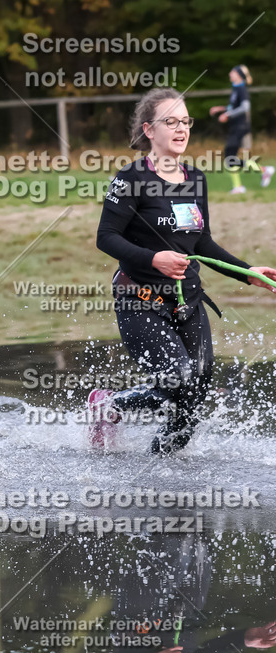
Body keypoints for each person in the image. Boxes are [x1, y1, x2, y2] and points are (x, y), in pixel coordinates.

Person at [91, 87, 276, 454]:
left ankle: (162, 468)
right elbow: (106, 237)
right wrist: (153, 258)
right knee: (179, 379)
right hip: (139, 298)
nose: (181, 128)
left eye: (185, 121)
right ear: (149, 130)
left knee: (195, 393)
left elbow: (202, 242)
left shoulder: (196, 179)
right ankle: (108, 405)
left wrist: (246, 272)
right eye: (170, 121)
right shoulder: (130, 179)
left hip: (188, 300)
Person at [209, 65, 254, 194]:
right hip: (236, 127)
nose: (230, 73)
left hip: (240, 127)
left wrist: (227, 115)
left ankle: (239, 185)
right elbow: (234, 106)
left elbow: (245, 107)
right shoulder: (236, 88)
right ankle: (241, 184)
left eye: (232, 72)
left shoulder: (242, 89)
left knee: (229, 156)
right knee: (230, 157)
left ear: (239, 75)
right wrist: (221, 109)